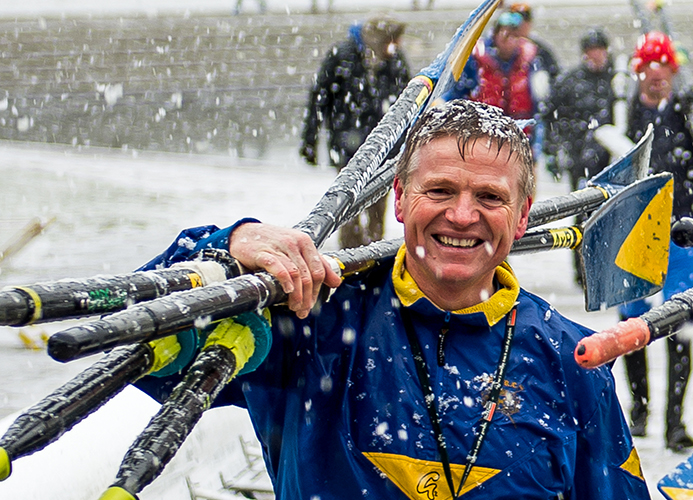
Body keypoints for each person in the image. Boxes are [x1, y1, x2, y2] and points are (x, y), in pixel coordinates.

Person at [138, 100, 649, 499]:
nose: (464, 216)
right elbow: (136, 338)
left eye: (490, 197)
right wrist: (224, 247)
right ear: (401, 200)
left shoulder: (574, 359)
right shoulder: (311, 319)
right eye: (441, 190)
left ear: (522, 215)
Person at [618, 31, 693, 453]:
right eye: (649, 68)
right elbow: (595, 163)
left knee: (680, 322)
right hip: (633, 231)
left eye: (664, 67)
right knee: (633, 320)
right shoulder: (623, 112)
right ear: (638, 72)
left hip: (683, 231)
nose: (657, 76)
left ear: (673, 70)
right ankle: (640, 409)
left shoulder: (689, 109)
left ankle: (674, 422)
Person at [299, 15, 409, 249]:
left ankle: (371, 258)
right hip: (347, 143)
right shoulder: (342, 55)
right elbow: (320, 96)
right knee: (348, 204)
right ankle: (351, 259)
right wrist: (310, 139)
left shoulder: (393, 59)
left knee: (378, 204)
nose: (395, 46)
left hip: (385, 146)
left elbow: (409, 100)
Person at [541, 27, 615, 188]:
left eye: (599, 50)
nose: (595, 55)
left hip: (611, 157)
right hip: (578, 155)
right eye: (591, 50)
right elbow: (550, 115)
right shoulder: (570, 82)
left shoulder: (617, 80)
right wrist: (551, 151)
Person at [468, 12, 542, 122]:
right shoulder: (476, 60)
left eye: (515, 36)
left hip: (521, 130)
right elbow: (459, 93)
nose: (510, 41)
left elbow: (538, 102)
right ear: (495, 35)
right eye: (505, 36)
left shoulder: (530, 62)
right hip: (484, 128)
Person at [507, 2, 561, 82]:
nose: (520, 25)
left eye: (525, 20)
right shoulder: (498, 49)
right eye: (514, 21)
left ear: (529, 23)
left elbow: (555, 78)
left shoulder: (541, 52)